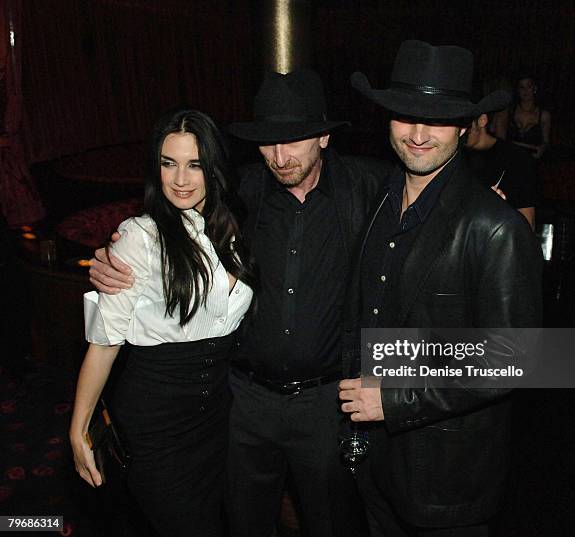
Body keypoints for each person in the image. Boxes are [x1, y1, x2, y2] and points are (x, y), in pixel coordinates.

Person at [89, 69, 391, 537]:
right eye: (269, 141)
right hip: (242, 402)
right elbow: (167, 231)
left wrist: (475, 208)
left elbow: (425, 215)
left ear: (326, 137)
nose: (280, 155)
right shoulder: (237, 195)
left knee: (331, 522)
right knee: (243, 522)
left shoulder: (368, 188)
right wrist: (109, 260)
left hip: (324, 404)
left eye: (294, 140)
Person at [339, 40, 542, 537]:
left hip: (447, 480)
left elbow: (516, 357)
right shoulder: (380, 203)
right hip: (376, 465)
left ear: (464, 126)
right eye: (406, 116)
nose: (419, 134)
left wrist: (396, 399)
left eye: (438, 119)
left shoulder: (493, 226)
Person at [70, 108, 256, 537]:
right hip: (158, 422)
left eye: (194, 164)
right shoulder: (140, 236)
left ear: (213, 167)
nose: (180, 179)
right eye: (168, 164)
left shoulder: (232, 228)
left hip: (216, 420)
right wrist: (78, 427)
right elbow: (105, 341)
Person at [464, 111, 538, 229]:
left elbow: (527, 222)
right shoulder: (454, 157)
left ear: (482, 120)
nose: (460, 131)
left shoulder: (514, 158)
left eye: (466, 124)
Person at [506, 74, 551, 159]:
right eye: (522, 87)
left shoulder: (544, 115)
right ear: (518, 90)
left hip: (531, 160)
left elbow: (546, 142)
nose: (525, 91)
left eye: (529, 86)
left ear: (534, 88)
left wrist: (542, 149)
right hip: (509, 157)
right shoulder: (509, 111)